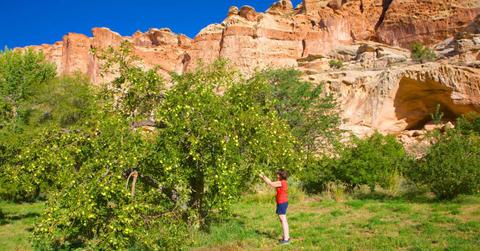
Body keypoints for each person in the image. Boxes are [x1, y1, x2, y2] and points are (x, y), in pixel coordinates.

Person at [259, 170, 290, 244]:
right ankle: (286, 237)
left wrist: (263, 176)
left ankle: (286, 239)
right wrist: (264, 176)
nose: (277, 176)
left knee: (283, 220)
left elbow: (270, 184)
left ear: (281, 175)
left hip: (282, 203)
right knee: (283, 220)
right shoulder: (282, 182)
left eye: (278, 175)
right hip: (283, 202)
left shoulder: (281, 182)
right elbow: (271, 183)